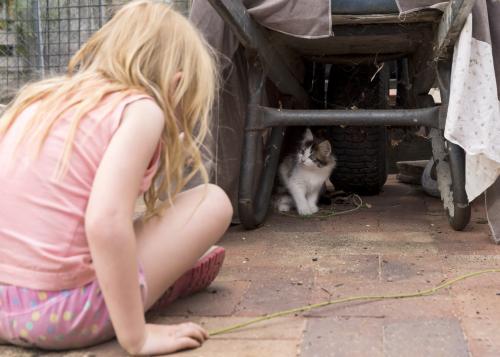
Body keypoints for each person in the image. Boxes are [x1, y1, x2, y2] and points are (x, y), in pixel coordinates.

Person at [0, 1, 233, 355]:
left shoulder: (43, 98)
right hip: (58, 317)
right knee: (211, 201)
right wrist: (135, 337)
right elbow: (106, 223)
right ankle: (160, 284)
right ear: (177, 84)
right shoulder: (142, 109)